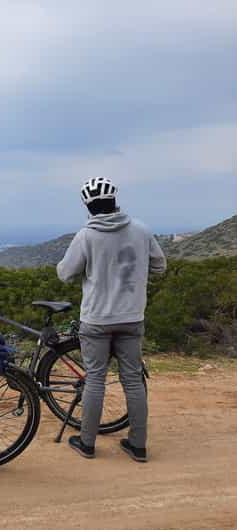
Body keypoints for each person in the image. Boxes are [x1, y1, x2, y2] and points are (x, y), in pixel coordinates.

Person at [57, 177, 167, 462]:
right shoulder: (141, 230)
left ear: (88, 206)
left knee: (95, 380)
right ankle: (138, 446)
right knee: (132, 380)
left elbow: (65, 273)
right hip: (132, 317)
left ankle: (87, 443)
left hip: (96, 319)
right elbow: (160, 265)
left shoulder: (86, 236)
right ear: (115, 200)